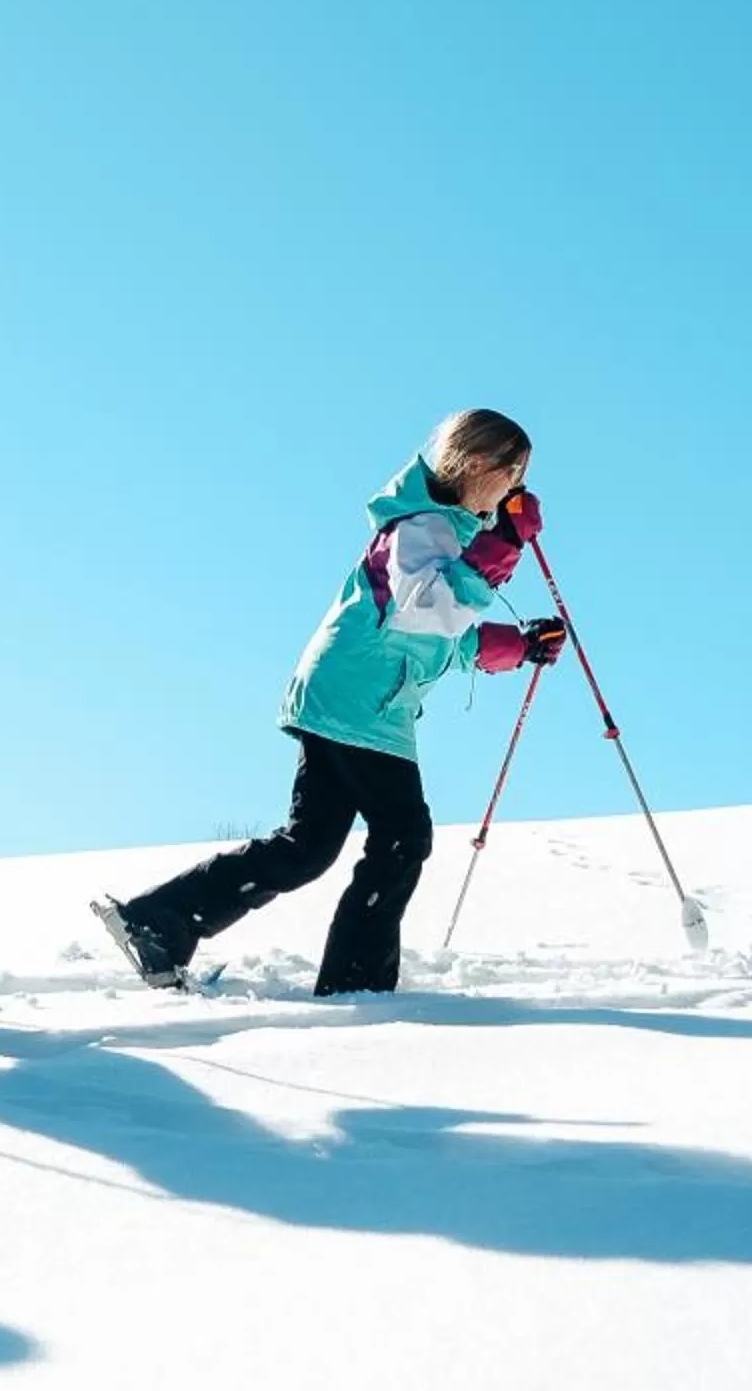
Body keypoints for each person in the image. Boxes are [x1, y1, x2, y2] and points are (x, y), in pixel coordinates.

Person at [94, 409, 567, 997]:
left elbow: (440, 640)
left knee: (308, 847)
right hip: (359, 703)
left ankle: (160, 921)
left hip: (355, 700)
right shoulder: (423, 528)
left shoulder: (451, 535)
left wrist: (520, 646)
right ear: (475, 464)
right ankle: (356, 986)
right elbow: (429, 609)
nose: (517, 487)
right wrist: (505, 543)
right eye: (512, 472)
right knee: (402, 838)